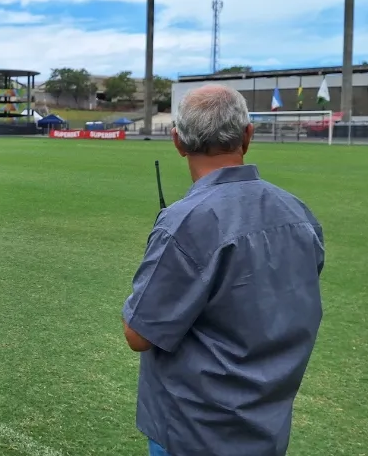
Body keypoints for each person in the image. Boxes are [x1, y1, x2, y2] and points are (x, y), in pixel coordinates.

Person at [121, 84, 325, 456]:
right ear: (248, 135)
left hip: (195, 430)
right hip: (268, 425)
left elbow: (139, 334)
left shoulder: (184, 223)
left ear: (178, 141)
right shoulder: (299, 212)